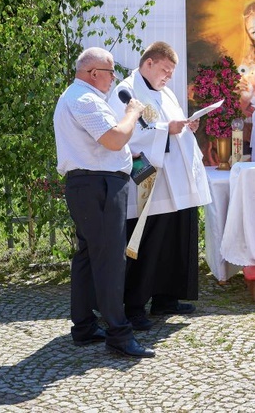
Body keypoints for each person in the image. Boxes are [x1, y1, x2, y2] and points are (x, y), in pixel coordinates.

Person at [54, 47, 154, 358]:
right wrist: (132, 113)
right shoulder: (83, 99)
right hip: (98, 185)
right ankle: (119, 335)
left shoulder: (80, 97)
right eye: (110, 72)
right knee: (110, 258)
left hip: (92, 183)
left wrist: (128, 155)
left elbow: (105, 145)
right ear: (93, 73)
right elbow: (113, 138)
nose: (113, 78)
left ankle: (84, 326)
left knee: (89, 255)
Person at [109, 42, 211, 331]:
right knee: (147, 240)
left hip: (175, 181)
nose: (168, 76)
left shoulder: (164, 92)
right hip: (148, 179)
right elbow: (127, 134)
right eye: (165, 69)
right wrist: (170, 129)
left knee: (174, 237)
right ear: (149, 63)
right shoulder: (126, 91)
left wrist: (186, 126)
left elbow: (168, 125)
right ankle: (135, 306)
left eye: (171, 72)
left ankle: (167, 297)